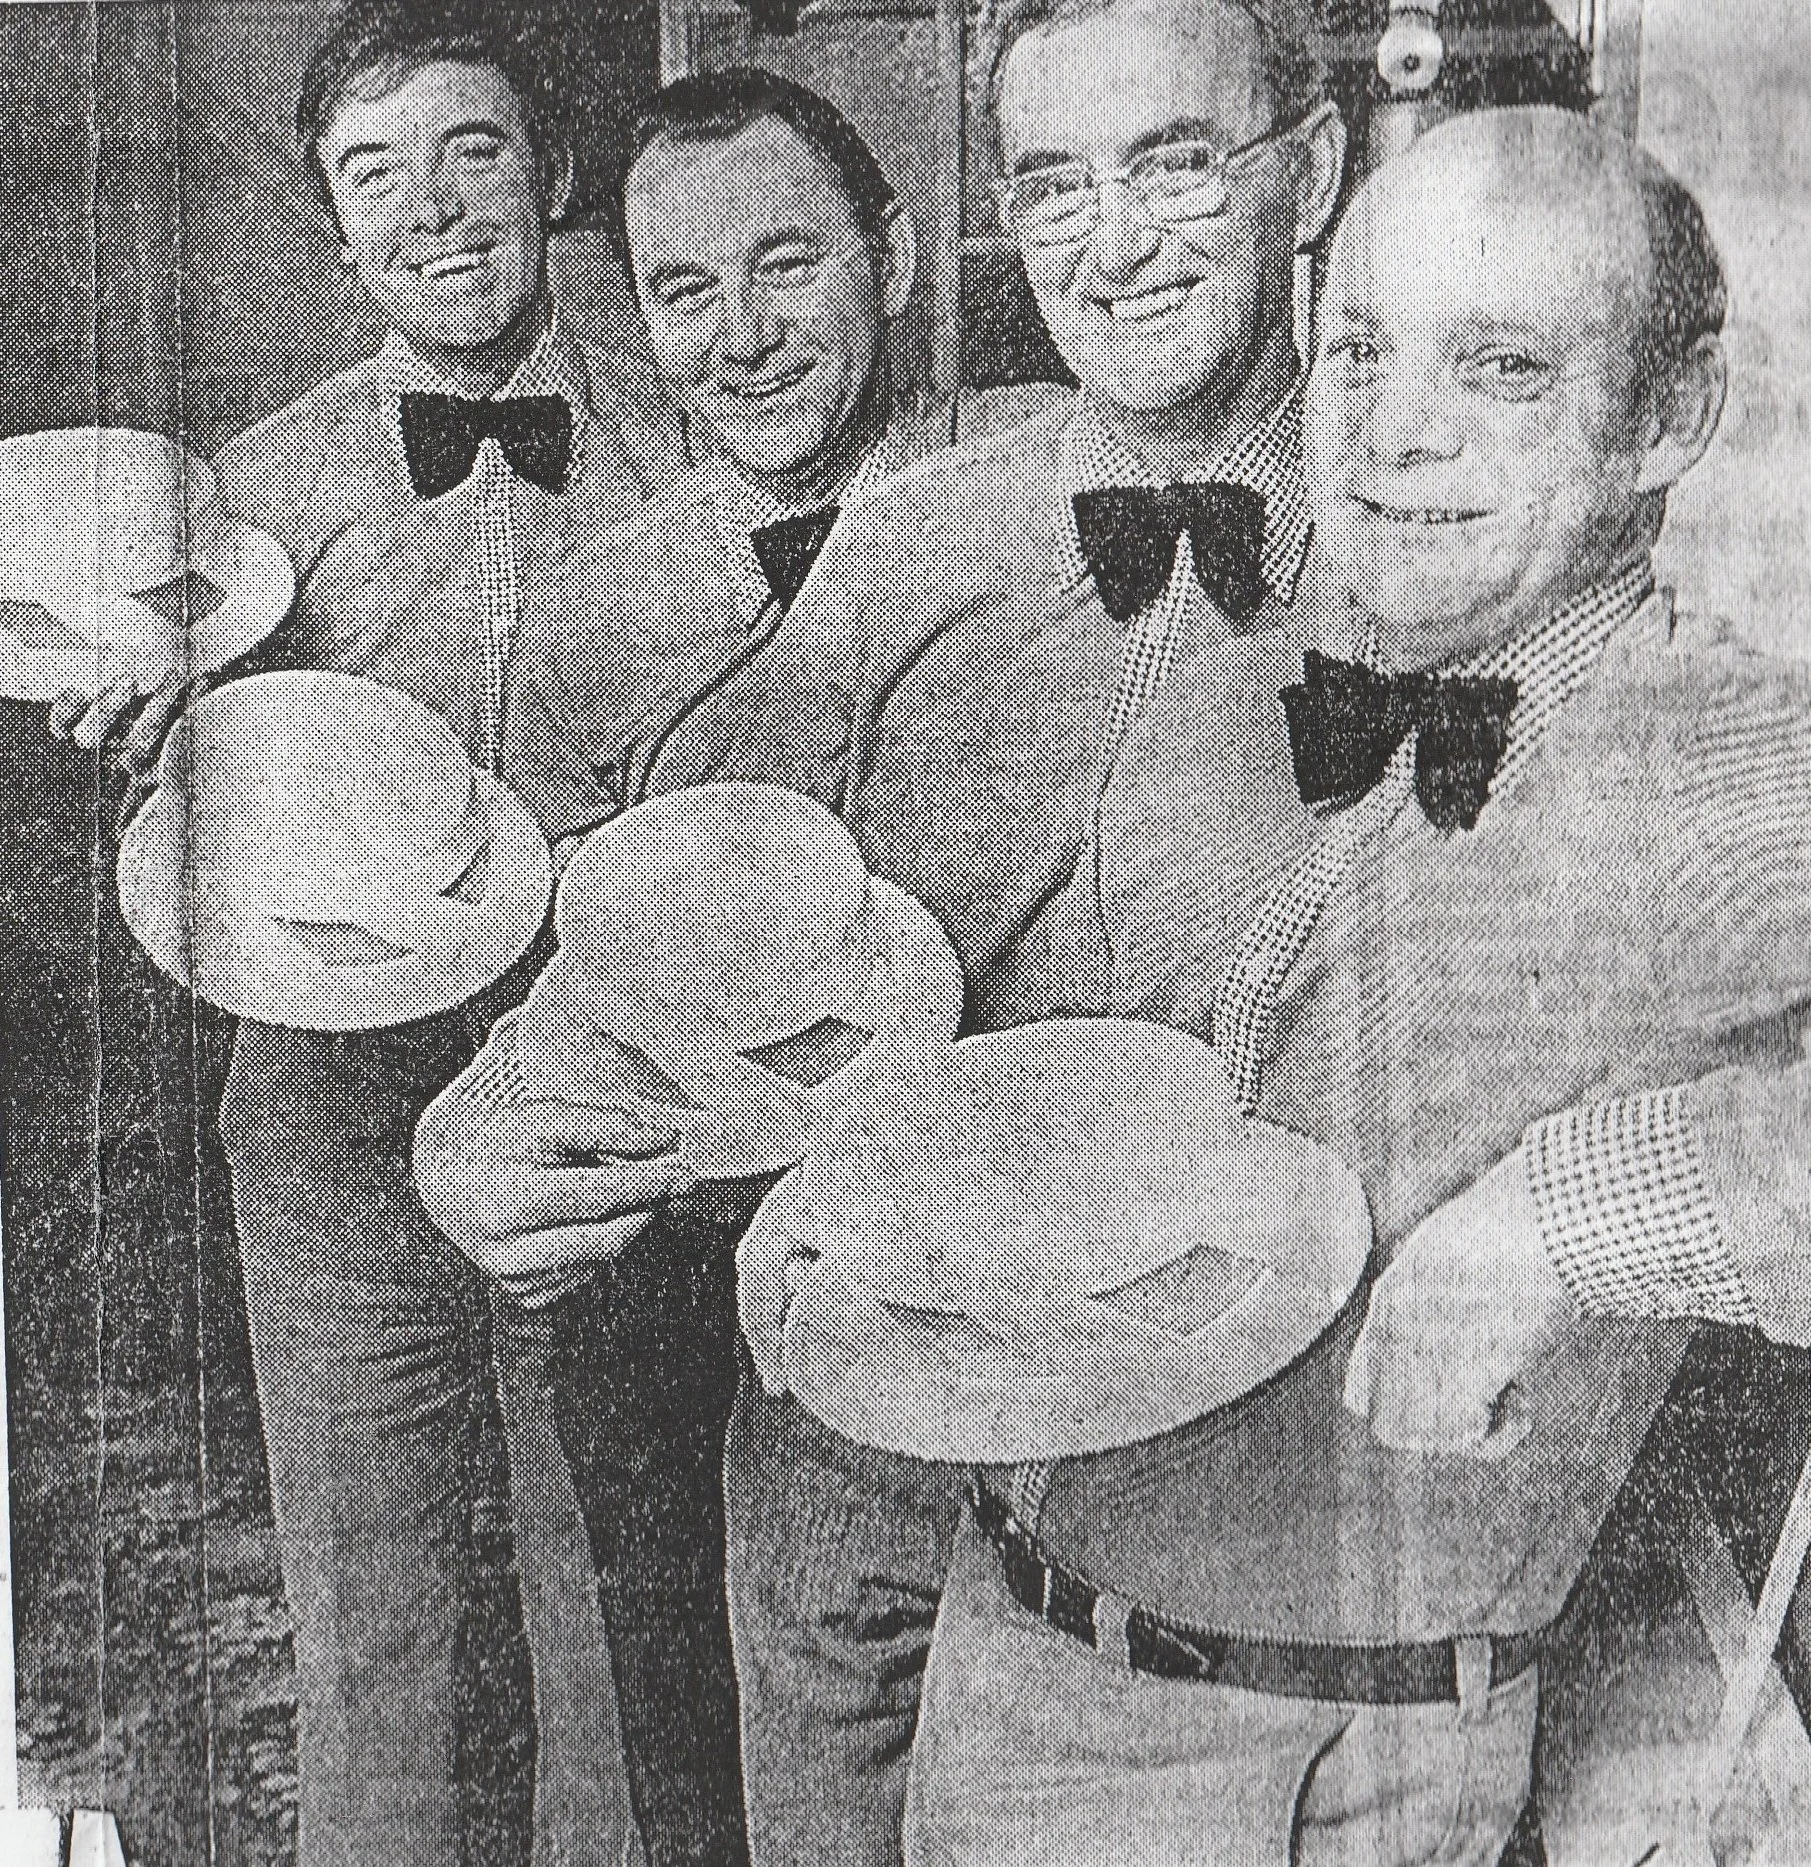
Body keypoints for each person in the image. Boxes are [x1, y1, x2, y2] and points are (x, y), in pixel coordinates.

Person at [418, 2, 1347, 1858]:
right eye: (1053, 184)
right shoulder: (893, 547)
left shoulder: (1439, 539)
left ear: (1307, 175)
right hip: (848, 1460)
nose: (1114, 243)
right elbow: (702, 925)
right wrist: (481, 1130)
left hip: (1205, 1495)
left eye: (1174, 163)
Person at [898, 106, 1808, 1867]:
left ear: (1669, 419)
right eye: (1366, 348)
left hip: (1349, 1762)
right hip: (1009, 1666)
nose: (1393, 435)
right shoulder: (1237, 640)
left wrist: (1559, 1215)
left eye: (1503, 368)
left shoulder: (1733, 760)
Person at [174, 6, 681, 1864]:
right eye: (371, 176)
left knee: (611, 1613)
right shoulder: (243, 498)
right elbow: (191, 828)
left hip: (594, 1090)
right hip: (327, 1118)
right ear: (334, 231)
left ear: (551, 174)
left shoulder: (695, 428)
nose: (432, 210)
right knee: (371, 1622)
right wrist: (144, 733)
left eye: (471, 150)